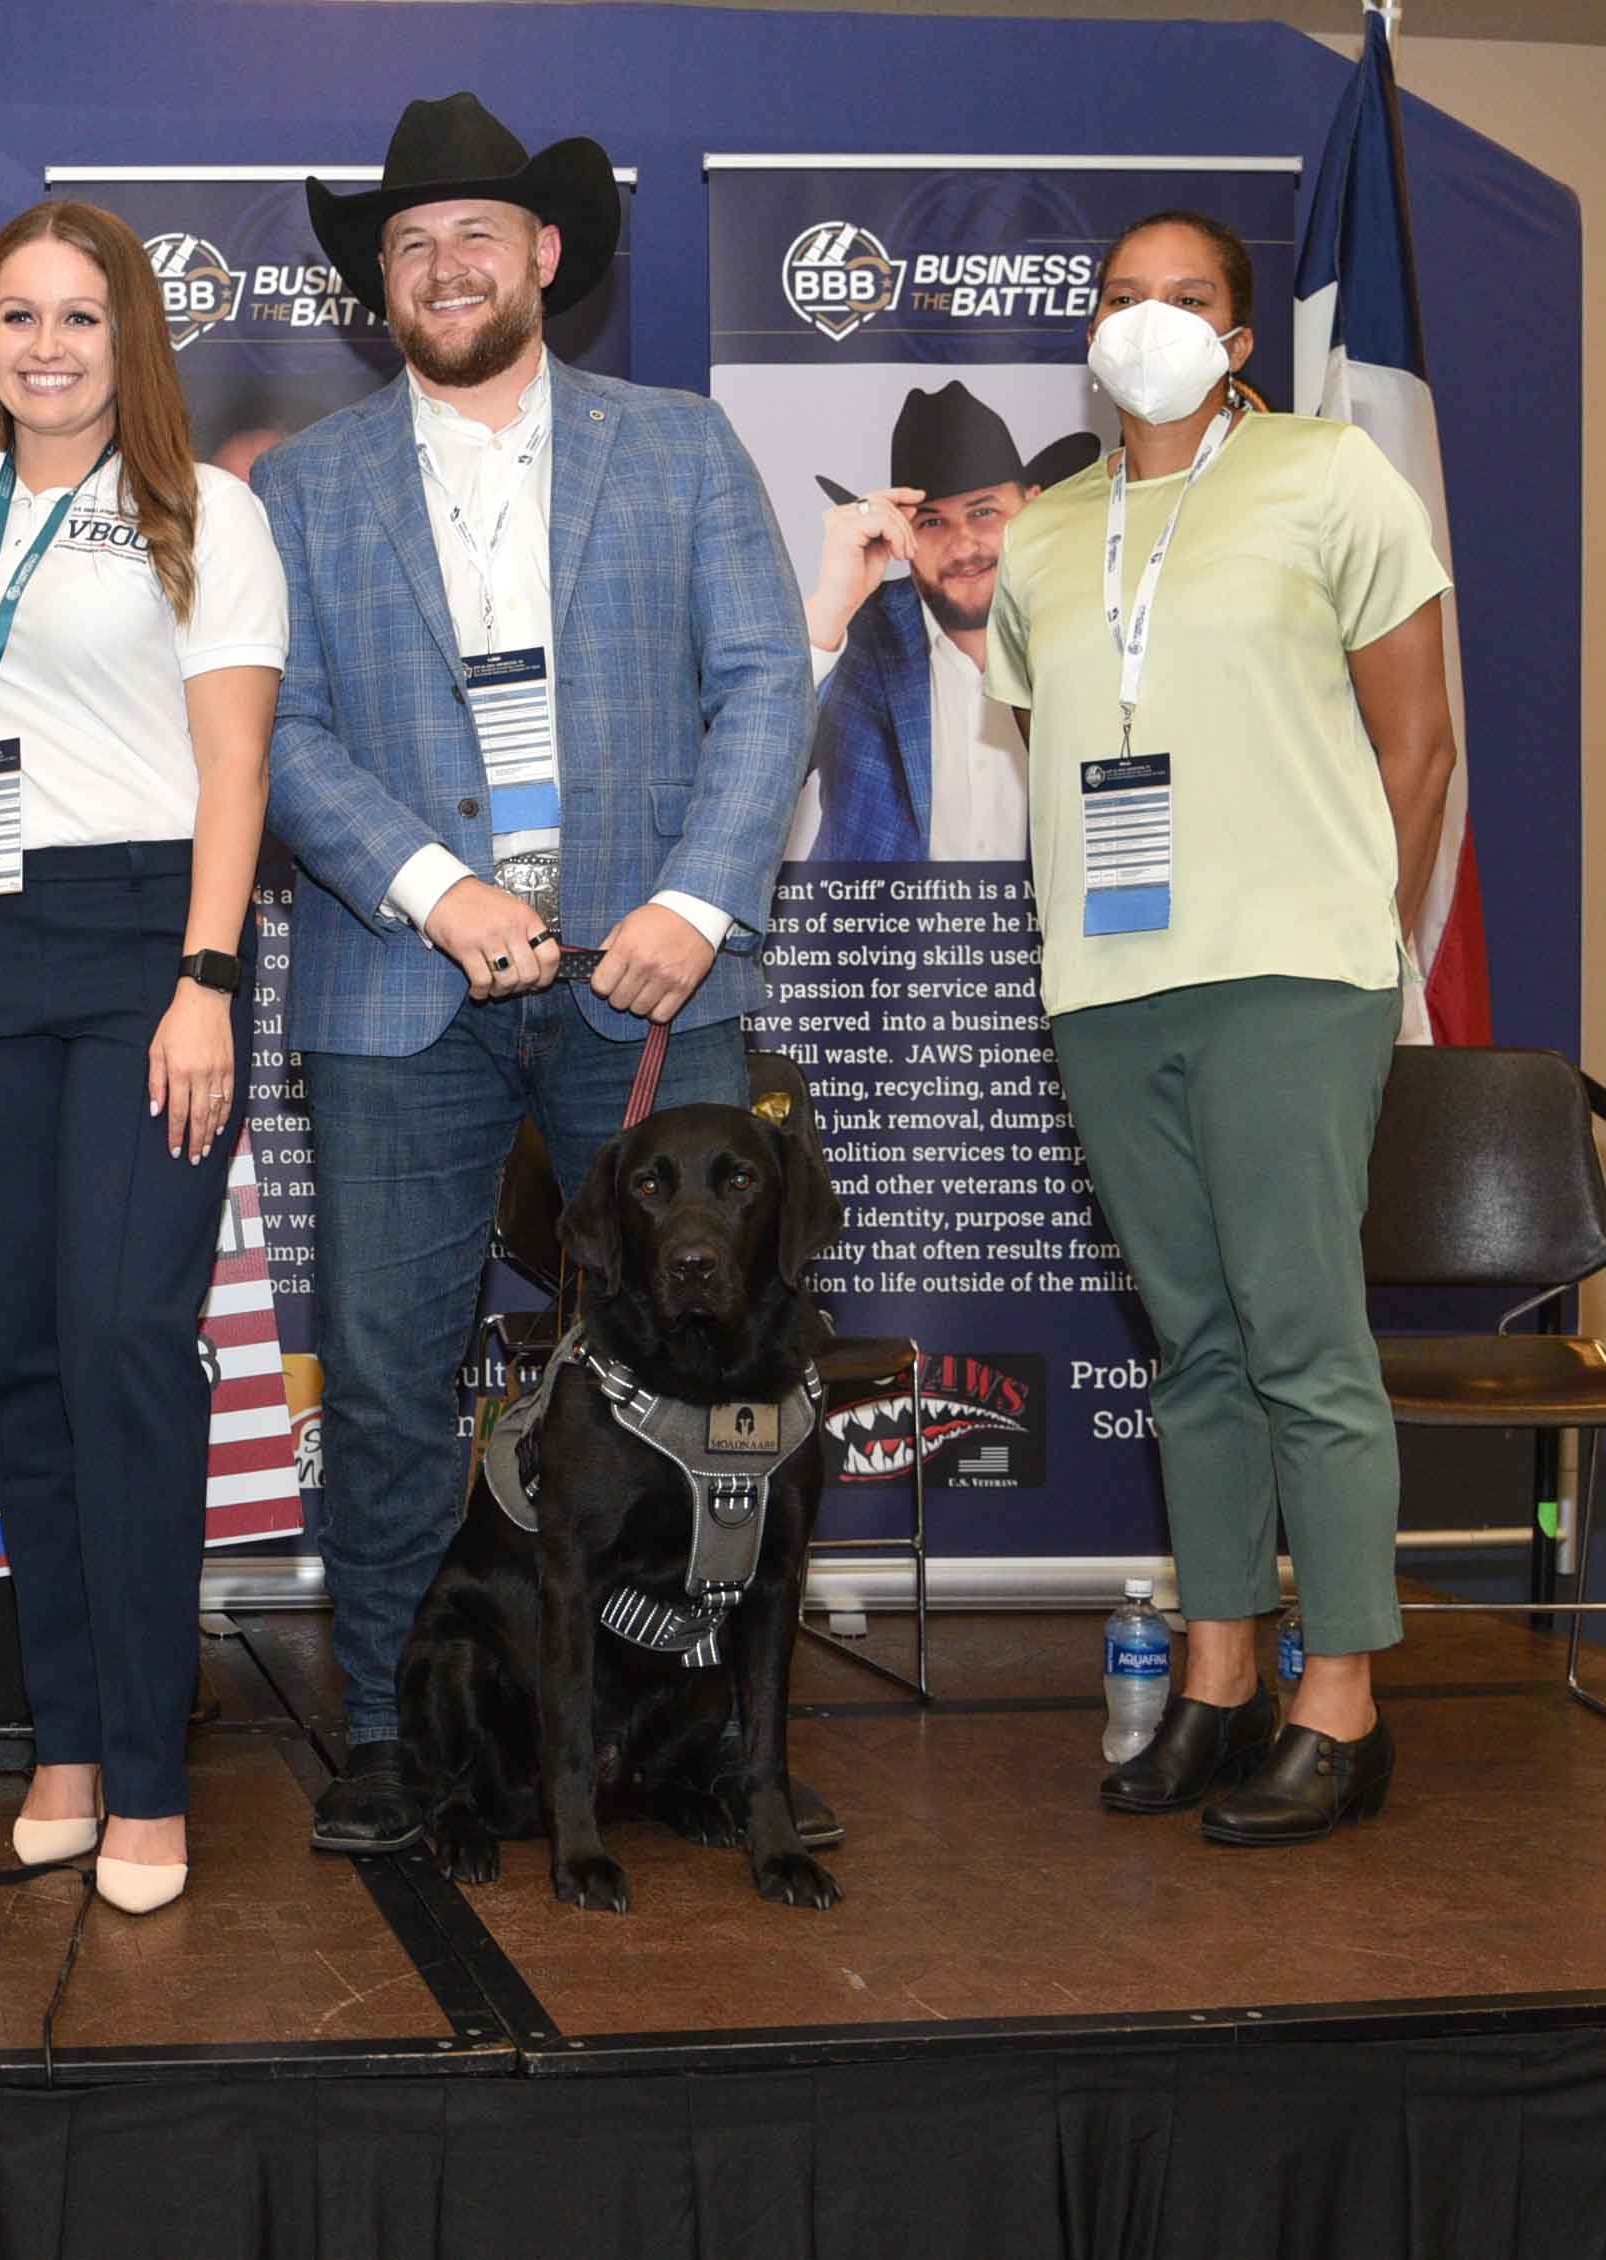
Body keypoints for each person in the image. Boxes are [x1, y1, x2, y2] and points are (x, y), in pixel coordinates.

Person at [252, 94, 816, 1857]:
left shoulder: (680, 450)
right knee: (384, 1362)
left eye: (475, 235)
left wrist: (696, 902)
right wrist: (430, 890)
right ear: (378, 286)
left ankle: (717, 1734)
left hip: (646, 978)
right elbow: (277, 733)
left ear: (545, 256)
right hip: (394, 981)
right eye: (410, 246)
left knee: (718, 1351)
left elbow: (764, 690)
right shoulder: (302, 485)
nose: (444, 265)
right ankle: (389, 1730)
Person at [985, 211, 1454, 1846]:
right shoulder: (1044, 535)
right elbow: (1061, 746)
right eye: (1121, 296)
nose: (1148, 321)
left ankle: (1341, 1696)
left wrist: (1347, 935)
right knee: (1191, 1347)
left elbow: (1419, 742)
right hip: (1109, 988)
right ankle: (1212, 1676)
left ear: (1239, 339)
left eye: (1185, 300)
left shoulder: (1329, 476)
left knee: (1299, 1339)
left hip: (1290, 977)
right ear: (1088, 328)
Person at [0, 200, 285, 1915]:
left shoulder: (208, 513)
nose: (43, 347)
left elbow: (235, 773)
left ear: (127, 338)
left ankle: (143, 1775)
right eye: (13, 317)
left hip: (146, 944)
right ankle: (61, 1735)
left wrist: (202, 977)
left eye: (75, 318)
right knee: (27, 1359)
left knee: (126, 1341)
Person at [786, 382, 1100, 861]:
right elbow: (749, 768)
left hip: (1048, 934)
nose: (963, 546)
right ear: (900, 533)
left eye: (984, 512)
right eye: (932, 522)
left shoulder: (1093, 627)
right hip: (876, 934)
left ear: (1033, 505)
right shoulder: (856, 636)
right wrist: (833, 605)